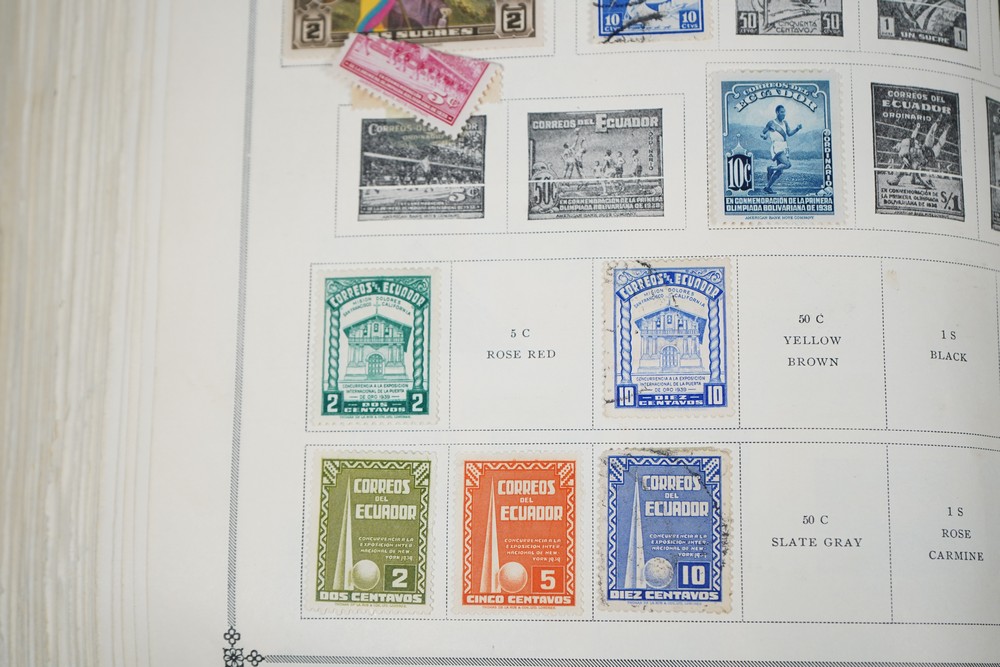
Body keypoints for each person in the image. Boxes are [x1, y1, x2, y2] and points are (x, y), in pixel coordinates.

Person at [760, 104, 802, 194]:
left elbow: (789, 133)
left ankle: (767, 187)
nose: (784, 114)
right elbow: (762, 133)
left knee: (779, 172)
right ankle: (771, 168)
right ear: (777, 112)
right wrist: (765, 136)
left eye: (784, 112)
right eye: (782, 112)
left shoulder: (785, 123)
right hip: (776, 146)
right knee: (787, 164)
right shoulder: (771, 123)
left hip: (784, 146)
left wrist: (797, 129)